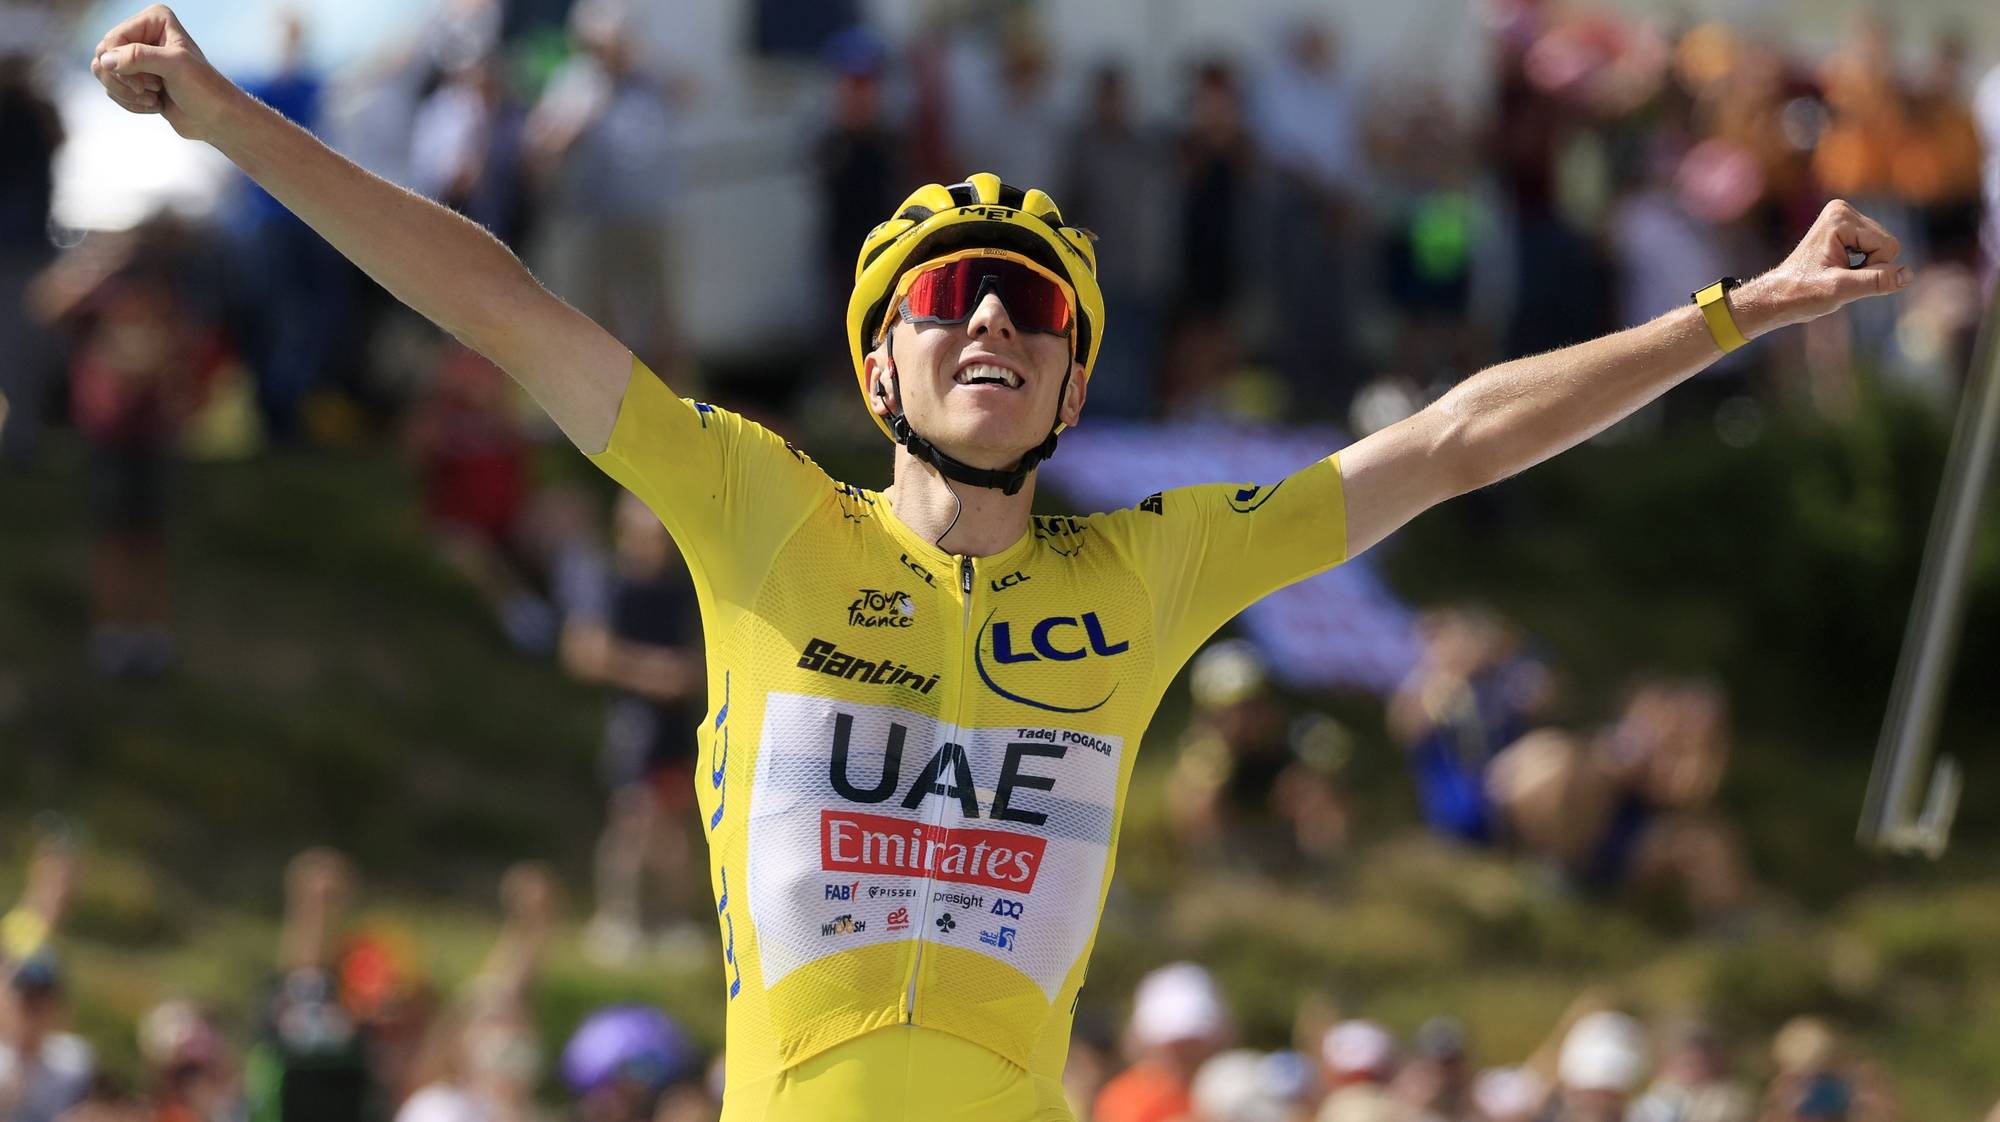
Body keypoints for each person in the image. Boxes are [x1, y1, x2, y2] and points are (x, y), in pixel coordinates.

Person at [88, 7, 1914, 1118]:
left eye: (1028, 310)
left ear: (1067, 371)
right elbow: (492, 294)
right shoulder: (756, 511)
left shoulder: (1147, 574)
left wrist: (1732, 308)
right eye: (944, 302)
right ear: (877, 361)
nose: (988, 328)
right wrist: (237, 123)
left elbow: (1447, 440)